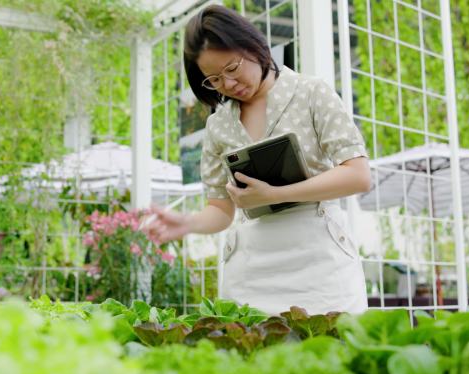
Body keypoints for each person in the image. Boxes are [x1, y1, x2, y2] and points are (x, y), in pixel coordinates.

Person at [144, 5, 371, 315]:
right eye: (214, 80)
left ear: (253, 45)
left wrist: (277, 195)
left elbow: (357, 175)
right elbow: (220, 210)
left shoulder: (311, 93)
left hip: (320, 260)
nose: (228, 84)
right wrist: (187, 223)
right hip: (253, 267)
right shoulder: (218, 124)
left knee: (328, 351)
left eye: (232, 68)